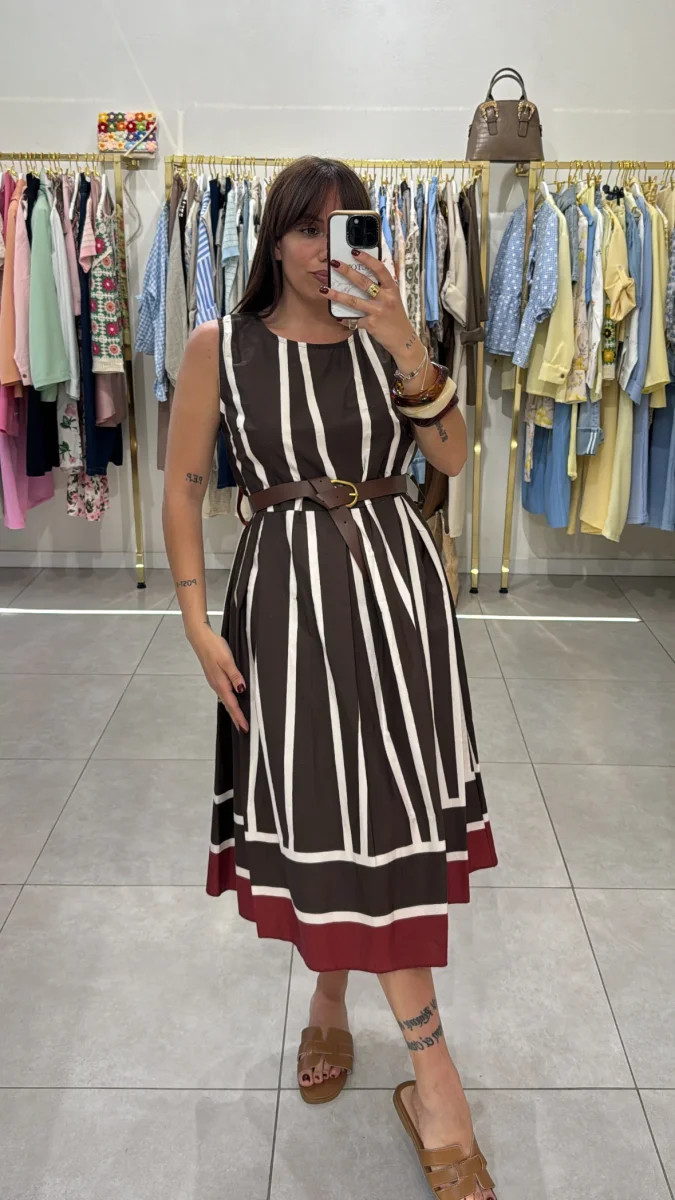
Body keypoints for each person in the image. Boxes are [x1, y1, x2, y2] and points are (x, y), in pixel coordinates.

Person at [163, 156, 498, 1200]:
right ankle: (371, 1034)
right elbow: (181, 487)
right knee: (327, 814)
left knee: (383, 818)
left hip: (399, 603)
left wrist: (404, 341)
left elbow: (451, 456)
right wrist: (192, 618)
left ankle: (411, 1064)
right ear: (271, 239)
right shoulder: (221, 347)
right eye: (304, 229)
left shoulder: (391, 335)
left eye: (343, 227)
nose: (322, 250)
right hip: (285, 610)